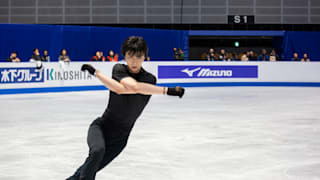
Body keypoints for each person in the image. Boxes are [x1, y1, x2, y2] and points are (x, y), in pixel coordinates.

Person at [66, 36, 185, 180]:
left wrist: (96, 73)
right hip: (101, 127)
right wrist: (167, 90)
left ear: (145, 57)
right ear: (124, 56)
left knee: (88, 168)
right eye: (130, 56)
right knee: (97, 151)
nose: (134, 61)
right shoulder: (119, 69)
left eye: (138, 57)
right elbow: (124, 89)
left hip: (120, 139)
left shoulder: (150, 79)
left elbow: (134, 87)